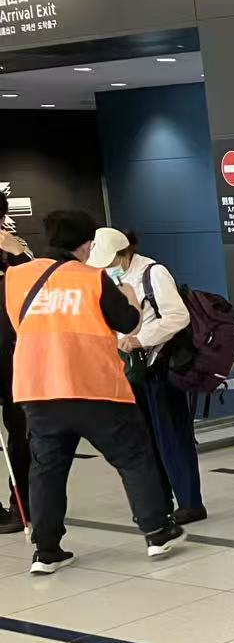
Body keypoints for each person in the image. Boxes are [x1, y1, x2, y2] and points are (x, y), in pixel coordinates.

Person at [0, 209, 184, 573]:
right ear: (87, 244)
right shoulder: (93, 279)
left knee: (47, 471)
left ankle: (46, 552)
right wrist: (129, 295)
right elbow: (129, 322)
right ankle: (157, 532)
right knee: (133, 458)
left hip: (39, 390)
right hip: (96, 389)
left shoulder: (18, 277)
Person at [88, 228, 206, 524]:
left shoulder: (153, 272)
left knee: (172, 436)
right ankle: (161, 500)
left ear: (124, 252)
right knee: (145, 438)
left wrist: (140, 339)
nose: (106, 267)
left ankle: (190, 502)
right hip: (131, 369)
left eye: (110, 260)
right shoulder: (111, 279)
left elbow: (178, 316)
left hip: (160, 366)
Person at [0, 195, 33, 534]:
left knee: (21, 432)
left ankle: (21, 503)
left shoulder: (16, 249)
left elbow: (39, 288)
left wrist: (17, 254)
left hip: (14, 354)